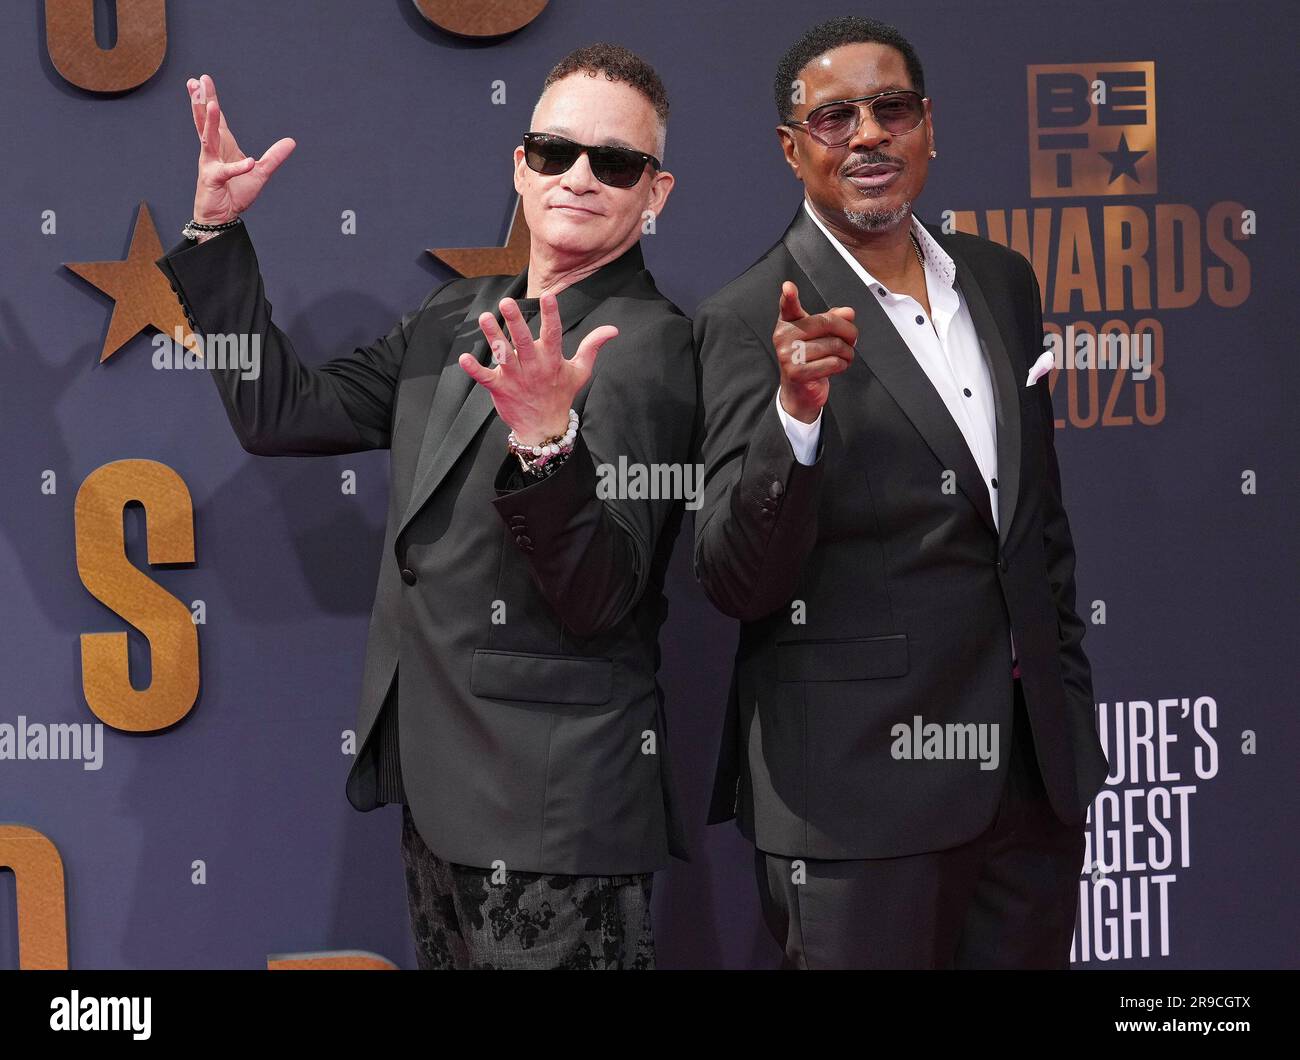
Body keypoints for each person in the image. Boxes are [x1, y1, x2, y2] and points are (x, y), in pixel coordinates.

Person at [156, 43, 696, 969]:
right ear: (518, 167)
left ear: (655, 194)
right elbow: (282, 414)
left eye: (614, 163)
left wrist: (546, 442)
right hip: (443, 797)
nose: (578, 178)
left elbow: (603, 595)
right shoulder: (457, 314)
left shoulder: (648, 347)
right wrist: (213, 239)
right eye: (554, 151)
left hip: (555, 819)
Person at [693, 16, 1109, 969]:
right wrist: (793, 417)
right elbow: (734, 580)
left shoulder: (1003, 281)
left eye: (892, 109)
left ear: (929, 127)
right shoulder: (748, 316)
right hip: (856, 807)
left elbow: (1034, 527)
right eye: (834, 117)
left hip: (1030, 786)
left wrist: (1066, 713)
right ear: (792, 151)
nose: (868, 135)